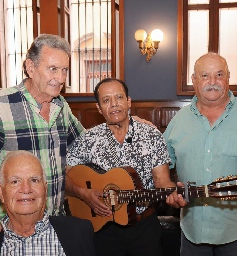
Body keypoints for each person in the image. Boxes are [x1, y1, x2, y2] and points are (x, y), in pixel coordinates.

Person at [0, 34, 85, 252]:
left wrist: (126, 121)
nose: (60, 78)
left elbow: (87, 144)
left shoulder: (61, 106)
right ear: (30, 67)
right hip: (10, 227)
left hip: (53, 224)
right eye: (52, 69)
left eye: (64, 70)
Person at [163, 52, 237, 256]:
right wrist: (169, 187)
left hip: (235, 225)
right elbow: (163, 161)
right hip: (192, 225)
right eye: (205, 75)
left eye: (219, 75)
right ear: (194, 80)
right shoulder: (179, 119)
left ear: (228, 78)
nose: (213, 82)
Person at [65, 78, 185, 256]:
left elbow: (162, 180)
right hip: (102, 228)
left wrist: (175, 193)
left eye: (119, 97)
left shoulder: (151, 135)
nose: (114, 104)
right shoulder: (88, 139)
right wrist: (83, 193)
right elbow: (65, 174)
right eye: (106, 100)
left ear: (128, 101)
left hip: (143, 228)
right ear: (99, 108)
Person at [0, 150, 96, 256]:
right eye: (15, 181)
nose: (26, 189)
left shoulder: (81, 233)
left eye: (34, 180)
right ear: (1, 192)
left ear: (45, 188)